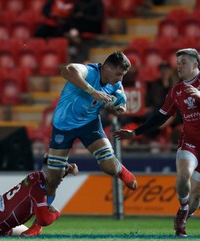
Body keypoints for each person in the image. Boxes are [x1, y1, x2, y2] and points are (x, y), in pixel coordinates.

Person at [113, 48, 200, 237]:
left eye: (183, 62)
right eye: (177, 63)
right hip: (189, 139)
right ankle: (183, 207)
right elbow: (161, 117)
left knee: (198, 191)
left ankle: (185, 217)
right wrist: (135, 133)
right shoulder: (176, 90)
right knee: (183, 173)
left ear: (195, 64)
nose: (179, 66)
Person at [45, 51, 138, 211]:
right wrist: (93, 92)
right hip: (63, 125)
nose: (120, 79)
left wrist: (116, 108)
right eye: (118, 74)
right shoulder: (89, 71)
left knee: (110, 168)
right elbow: (66, 70)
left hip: (89, 124)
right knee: (53, 180)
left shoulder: (116, 85)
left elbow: (119, 107)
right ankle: (43, 214)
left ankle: (121, 171)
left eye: (122, 75)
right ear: (107, 67)